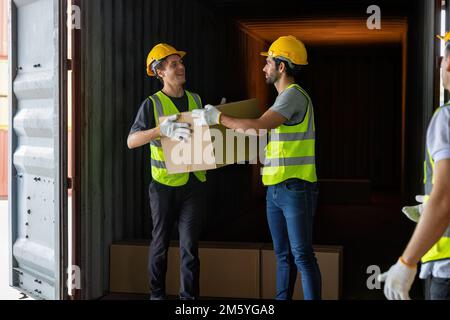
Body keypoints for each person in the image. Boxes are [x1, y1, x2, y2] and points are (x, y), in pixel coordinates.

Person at [192, 35, 322, 300]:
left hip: (296, 189)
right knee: (283, 256)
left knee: (302, 256)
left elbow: (260, 126)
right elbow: (260, 133)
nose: (264, 68)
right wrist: (228, 115)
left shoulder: (293, 97)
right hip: (275, 190)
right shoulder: (282, 100)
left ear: (282, 67)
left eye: (269, 62)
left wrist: (220, 117)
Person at [127, 43, 206, 300]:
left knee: (189, 248)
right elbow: (131, 141)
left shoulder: (195, 99)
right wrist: (159, 131)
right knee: (160, 246)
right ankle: (157, 296)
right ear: (159, 72)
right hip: (163, 187)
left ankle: (188, 301)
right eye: (173, 65)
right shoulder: (152, 104)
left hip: (192, 185)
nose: (181, 67)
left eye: (180, 63)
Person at [378, 32, 450, 300]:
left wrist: (406, 262)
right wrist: (430, 205)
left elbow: (445, 199)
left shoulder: (446, 118)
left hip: (446, 269)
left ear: (448, 63)